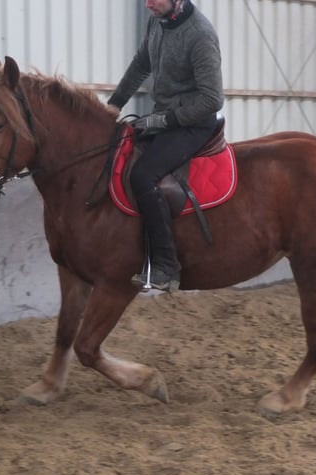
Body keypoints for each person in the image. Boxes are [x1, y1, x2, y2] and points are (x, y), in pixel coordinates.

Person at [107, 0, 224, 292]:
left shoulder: (200, 34)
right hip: (165, 118)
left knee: (143, 175)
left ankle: (167, 266)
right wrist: (114, 104)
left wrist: (167, 120)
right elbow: (140, 64)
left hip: (194, 123)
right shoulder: (157, 21)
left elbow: (212, 99)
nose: (147, 4)